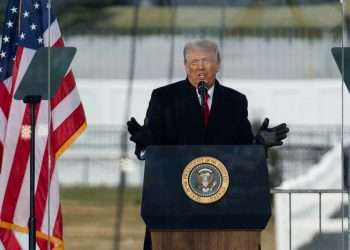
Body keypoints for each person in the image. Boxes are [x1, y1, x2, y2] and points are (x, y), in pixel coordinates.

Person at [127, 39, 289, 250]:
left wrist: (258, 146)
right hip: (175, 206)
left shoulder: (235, 101)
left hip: (226, 207)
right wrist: (146, 144)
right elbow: (152, 147)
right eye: (194, 61)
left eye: (206, 61)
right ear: (185, 66)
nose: (200, 67)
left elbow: (242, 152)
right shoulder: (164, 98)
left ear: (218, 64)